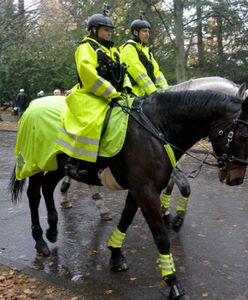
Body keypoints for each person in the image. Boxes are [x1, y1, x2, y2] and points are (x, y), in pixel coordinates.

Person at [56, 7, 132, 179]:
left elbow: (123, 72)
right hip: (91, 95)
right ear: (93, 30)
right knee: (93, 122)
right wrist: (111, 93)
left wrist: (126, 88)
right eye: (106, 30)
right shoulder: (86, 48)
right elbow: (88, 75)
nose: (109, 33)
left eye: (110, 30)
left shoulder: (113, 50)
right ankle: (79, 163)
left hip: (116, 95)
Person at [119, 13, 168, 97]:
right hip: (133, 95)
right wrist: (153, 92)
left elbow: (157, 72)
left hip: (146, 94)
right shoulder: (129, 49)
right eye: (144, 31)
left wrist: (166, 91)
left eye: (148, 31)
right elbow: (139, 73)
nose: (147, 34)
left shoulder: (146, 50)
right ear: (135, 32)